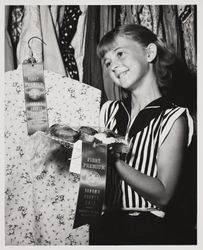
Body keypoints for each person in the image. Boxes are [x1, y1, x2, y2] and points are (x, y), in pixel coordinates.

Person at [89, 24, 194, 245]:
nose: (113, 66)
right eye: (107, 62)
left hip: (147, 230)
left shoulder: (174, 118)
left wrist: (113, 160)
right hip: (104, 225)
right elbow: (94, 177)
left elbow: (163, 193)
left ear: (149, 53)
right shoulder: (109, 110)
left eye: (120, 53)